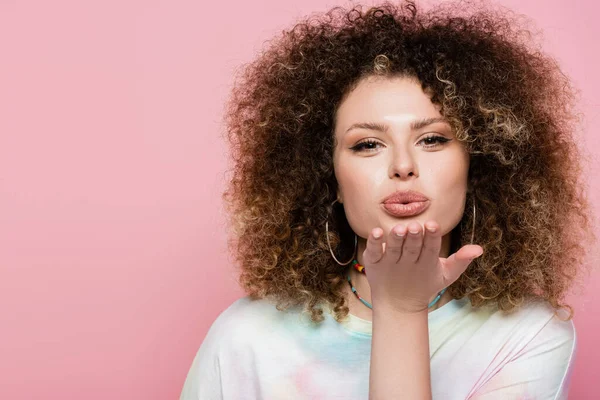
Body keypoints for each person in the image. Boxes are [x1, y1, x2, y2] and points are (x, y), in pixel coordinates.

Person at [180, 1, 596, 398]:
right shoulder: (246, 337)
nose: (402, 165)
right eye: (366, 145)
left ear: (477, 168)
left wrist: (402, 307)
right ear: (331, 180)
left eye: (432, 139)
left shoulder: (529, 335)